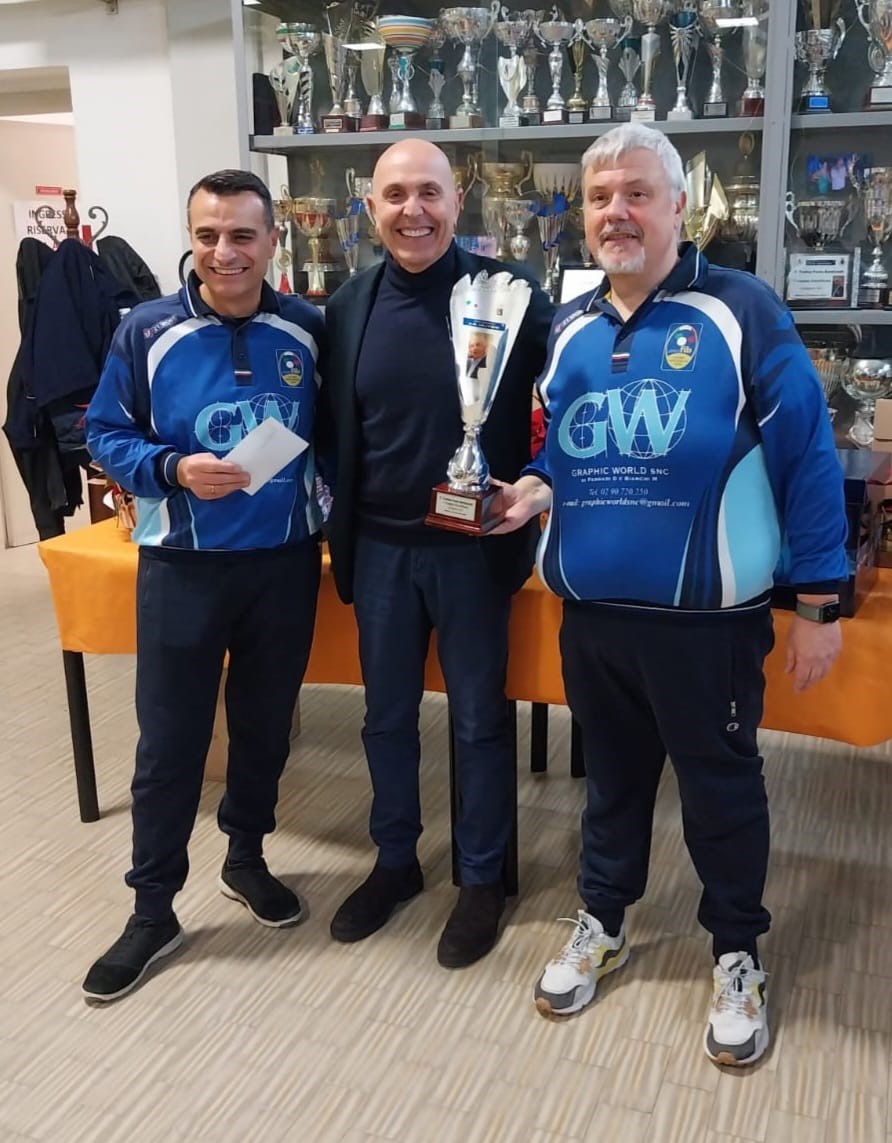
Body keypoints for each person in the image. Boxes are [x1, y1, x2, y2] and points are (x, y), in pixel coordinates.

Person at [494, 124, 847, 1064]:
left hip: (706, 626)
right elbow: (560, 448)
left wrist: (820, 603)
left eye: (638, 194)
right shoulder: (570, 328)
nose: (617, 212)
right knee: (610, 784)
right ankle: (603, 920)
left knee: (719, 791)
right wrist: (533, 487)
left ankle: (736, 949)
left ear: (679, 209)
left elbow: (807, 455)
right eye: (600, 197)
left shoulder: (740, 309)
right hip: (593, 617)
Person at [81, 170, 325, 1001]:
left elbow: (336, 432)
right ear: (192, 238)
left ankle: (245, 857)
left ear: (272, 241)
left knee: (264, 728)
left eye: (243, 235)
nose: (225, 252)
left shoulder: (308, 329)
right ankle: (152, 909)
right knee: (170, 742)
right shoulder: (145, 330)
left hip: (283, 565)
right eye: (209, 235)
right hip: (182, 566)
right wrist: (172, 468)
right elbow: (103, 430)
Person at [319, 139, 553, 968]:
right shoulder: (347, 306)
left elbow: (567, 400)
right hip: (381, 549)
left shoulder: (511, 296)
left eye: (429, 192)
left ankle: (481, 877)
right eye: (395, 194)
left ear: (458, 202)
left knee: (479, 721)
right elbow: (334, 430)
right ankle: (395, 860)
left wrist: (538, 482)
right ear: (370, 207)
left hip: (471, 551)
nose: (412, 209)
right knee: (385, 718)